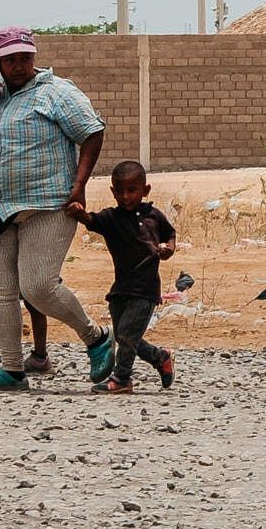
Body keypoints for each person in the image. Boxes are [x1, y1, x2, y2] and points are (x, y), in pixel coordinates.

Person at [0, 28, 113, 393]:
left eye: (25, 57)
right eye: (10, 60)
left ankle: (96, 336)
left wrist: (80, 184)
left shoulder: (56, 92)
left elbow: (91, 132)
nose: (20, 66)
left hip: (47, 205)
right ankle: (12, 369)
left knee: (38, 286)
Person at [78, 161, 177, 396]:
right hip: (120, 290)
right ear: (112, 191)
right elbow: (91, 221)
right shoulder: (111, 217)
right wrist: (77, 212)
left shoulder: (154, 216)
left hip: (145, 290)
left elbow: (170, 234)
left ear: (145, 190)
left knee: (127, 336)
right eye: (119, 191)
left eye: (132, 190)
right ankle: (160, 357)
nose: (125, 196)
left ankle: (122, 378)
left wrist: (169, 249)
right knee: (125, 336)